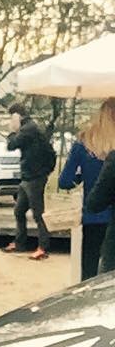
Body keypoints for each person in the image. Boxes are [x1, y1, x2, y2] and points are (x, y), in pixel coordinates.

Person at [60, 98, 115, 279]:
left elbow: (65, 181)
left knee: (89, 275)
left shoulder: (84, 143)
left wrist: (80, 176)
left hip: (93, 217)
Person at [5, 103, 56, 260]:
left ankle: (43, 247)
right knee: (19, 210)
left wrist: (12, 131)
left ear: (17, 115)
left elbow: (11, 145)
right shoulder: (31, 127)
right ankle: (20, 242)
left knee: (38, 213)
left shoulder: (28, 129)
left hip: (34, 177)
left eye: (11, 117)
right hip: (28, 176)